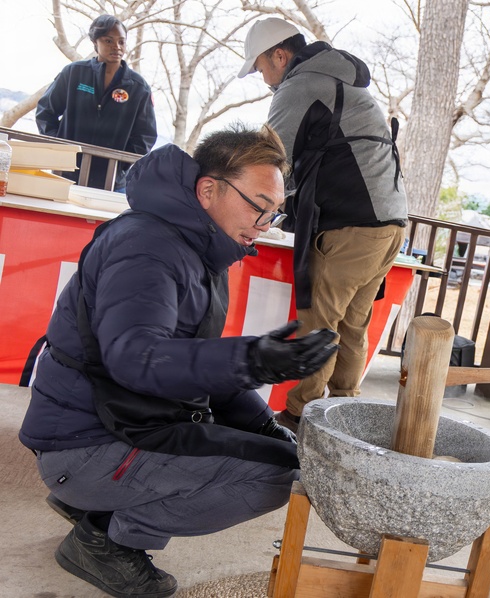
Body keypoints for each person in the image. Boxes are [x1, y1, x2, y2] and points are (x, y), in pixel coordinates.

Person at [18, 123, 339, 598]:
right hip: (86, 442)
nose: (263, 224)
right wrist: (255, 359)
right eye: (257, 206)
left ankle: (99, 504)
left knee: (282, 452)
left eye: (273, 213)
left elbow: (198, 361)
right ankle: (102, 537)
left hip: (123, 423)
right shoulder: (147, 246)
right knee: (276, 477)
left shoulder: (199, 247)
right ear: (208, 189)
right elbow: (137, 358)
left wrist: (267, 425)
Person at [237, 18, 408, 433]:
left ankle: (298, 419)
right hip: (390, 223)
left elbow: (269, 159)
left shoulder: (302, 85)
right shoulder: (348, 83)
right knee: (352, 324)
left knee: (320, 324)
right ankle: (345, 416)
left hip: (351, 225)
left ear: (280, 55)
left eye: (261, 67)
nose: (264, 80)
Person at [36, 14, 157, 191]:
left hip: (111, 182)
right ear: (95, 42)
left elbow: (145, 136)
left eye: (121, 42)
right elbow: (45, 112)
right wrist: (60, 148)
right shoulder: (74, 73)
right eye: (109, 41)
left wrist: (119, 164)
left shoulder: (138, 87)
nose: (117, 47)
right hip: (65, 173)